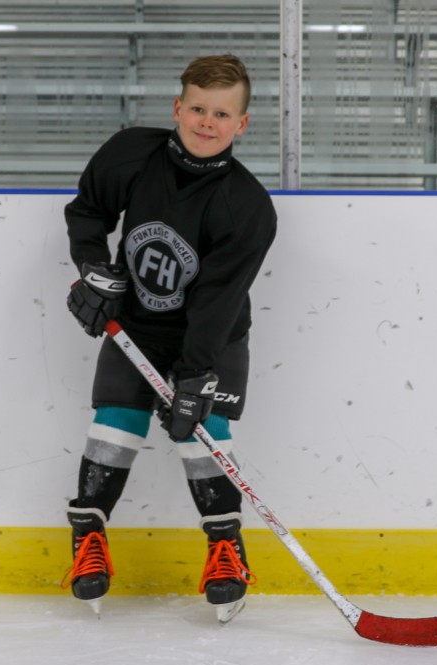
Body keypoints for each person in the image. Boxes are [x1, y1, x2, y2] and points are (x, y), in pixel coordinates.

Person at [60, 54, 277, 619]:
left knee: (203, 431)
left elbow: (218, 300)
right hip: (137, 326)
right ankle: (88, 539)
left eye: (222, 113)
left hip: (215, 334)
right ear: (178, 108)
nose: (208, 122)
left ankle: (226, 549)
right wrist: (94, 269)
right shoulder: (132, 152)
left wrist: (197, 371)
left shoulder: (248, 207)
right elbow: (88, 213)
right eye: (198, 108)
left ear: (242, 123)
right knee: (116, 423)